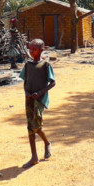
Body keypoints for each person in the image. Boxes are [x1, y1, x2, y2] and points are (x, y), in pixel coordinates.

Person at [19, 38, 56, 168]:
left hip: (39, 99)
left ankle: (47, 143)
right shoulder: (28, 65)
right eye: (30, 48)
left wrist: (40, 93)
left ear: (41, 50)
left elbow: (53, 83)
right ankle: (34, 157)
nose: (31, 51)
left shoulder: (45, 65)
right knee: (30, 127)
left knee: (36, 125)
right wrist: (26, 92)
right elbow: (25, 82)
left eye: (34, 49)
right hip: (29, 99)